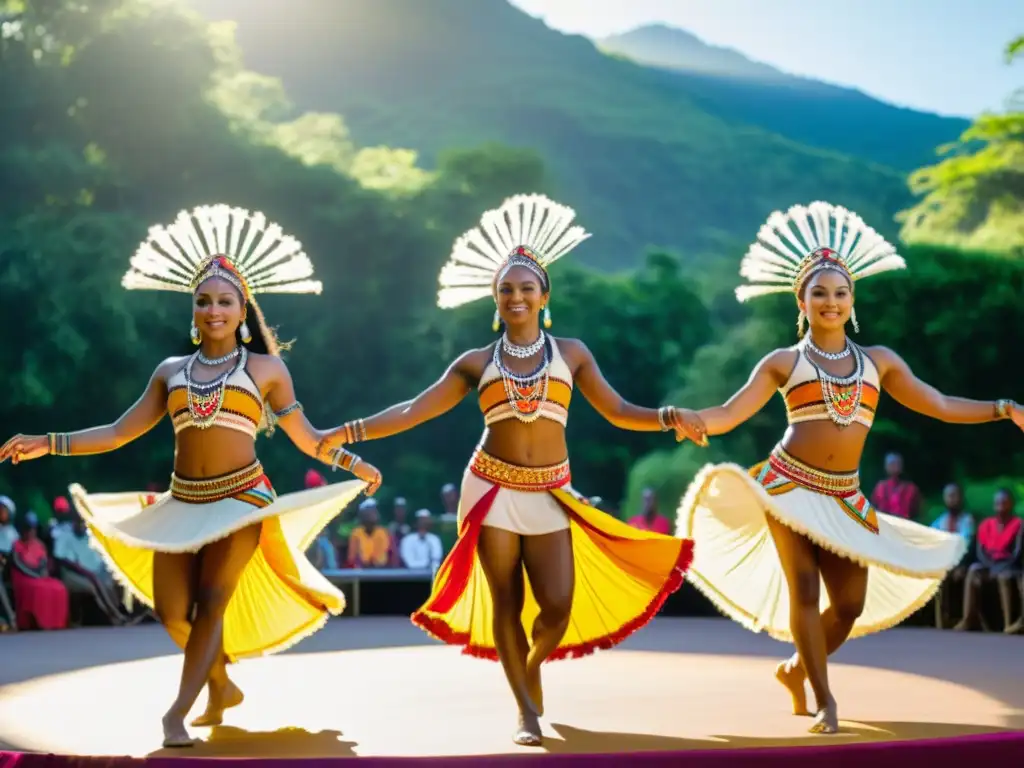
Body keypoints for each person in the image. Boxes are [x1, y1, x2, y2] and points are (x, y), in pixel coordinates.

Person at [319, 193, 701, 746]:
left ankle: (531, 665)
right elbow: (412, 410)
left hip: (552, 491)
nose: (516, 296)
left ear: (544, 295)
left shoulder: (571, 353)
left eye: (526, 287)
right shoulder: (476, 362)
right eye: (506, 289)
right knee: (507, 602)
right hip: (490, 487)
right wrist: (348, 432)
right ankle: (524, 710)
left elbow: (618, 411)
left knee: (557, 606)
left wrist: (670, 417)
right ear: (495, 300)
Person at [0, 204, 382, 748]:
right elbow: (116, 432)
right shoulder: (170, 372)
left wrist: (352, 461)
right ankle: (221, 685)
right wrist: (48, 443)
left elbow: (308, 437)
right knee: (174, 611)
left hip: (245, 498)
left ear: (242, 308)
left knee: (211, 598)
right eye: (203, 301)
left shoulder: (267, 371)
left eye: (224, 301)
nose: (213, 309)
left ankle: (177, 712)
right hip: (183, 503)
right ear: (194, 310)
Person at [674, 201, 1022, 734]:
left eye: (840, 293)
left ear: (852, 300)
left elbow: (942, 404)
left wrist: (1002, 408)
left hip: (845, 497)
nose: (830, 302)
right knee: (806, 593)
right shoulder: (783, 362)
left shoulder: (879, 362)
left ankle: (794, 669)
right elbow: (728, 413)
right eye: (820, 293)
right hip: (786, 487)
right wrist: (692, 418)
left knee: (850, 606)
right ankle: (824, 698)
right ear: (802, 300)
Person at [956, 488, 1023, 633]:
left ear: (1010, 504)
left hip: (1008, 566)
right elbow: (980, 552)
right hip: (990, 565)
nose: (1001, 506)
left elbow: (1016, 552)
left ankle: (1008, 623)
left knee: (1004, 576)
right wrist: (991, 566)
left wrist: (1000, 567)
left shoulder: (1018, 524)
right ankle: (968, 618)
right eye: (998, 503)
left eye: (1004, 503)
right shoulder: (986, 524)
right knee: (973, 569)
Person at [930, 482, 975, 628]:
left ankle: (964, 620)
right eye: (949, 496)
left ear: (961, 498)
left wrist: (960, 565)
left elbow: (967, 545)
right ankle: (941, 621)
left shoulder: (967, 520)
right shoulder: (940, 521)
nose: (952, 499)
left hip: (962, 563)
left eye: (955, 495)